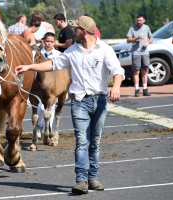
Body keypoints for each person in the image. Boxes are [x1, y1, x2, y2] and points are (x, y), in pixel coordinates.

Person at [15, 16, 125, 195]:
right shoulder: (73, 50)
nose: (72, 32)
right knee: (82, 141)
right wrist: (29, 67)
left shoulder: (104, 49)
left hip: (100, 100)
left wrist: (117, 87)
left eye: (76, 29)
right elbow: (53, 64)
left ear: (85, 32)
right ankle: (81, 180)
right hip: (79, 102)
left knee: (95, 142)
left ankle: (93, 177)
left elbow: (117, 70)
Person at [36, 32, 61, 136]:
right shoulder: (38, 54)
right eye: (47, 41)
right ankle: (40, 125)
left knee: (51, 107)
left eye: (51, 42)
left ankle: (48, 128)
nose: (49, 44)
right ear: (43, 41)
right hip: (39, 85)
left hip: (53, 85)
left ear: (54, 43)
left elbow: (61, 73)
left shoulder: (58, 55)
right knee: (41, 107)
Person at [126, 14, 153, 97]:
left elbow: (151, 38)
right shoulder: (132, 28)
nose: (139, 22)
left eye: (140, 20)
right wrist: (136, 38)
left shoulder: (147, 28)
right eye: (137, 20)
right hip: (136, 52)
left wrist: (148, 42)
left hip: (145, 52)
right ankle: (137, 89)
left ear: (144, 20)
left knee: (144, 71)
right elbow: (128, 40)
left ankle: (145, 89)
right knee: (136, 71)